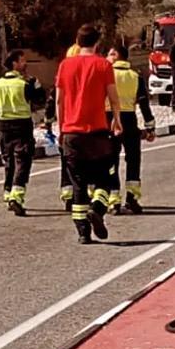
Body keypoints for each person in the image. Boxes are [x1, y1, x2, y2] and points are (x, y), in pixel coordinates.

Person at [54, 25, 123, 243]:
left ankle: (83, 232)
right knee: (105, 178)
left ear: (77, 41)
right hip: (98, 133)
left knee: (78, 183)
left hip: (72, 133)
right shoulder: (103, 65)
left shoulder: (65, 65)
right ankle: (98, 208)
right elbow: (113, 98)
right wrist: (117, 121)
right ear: (97, 43)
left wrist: (61, 128)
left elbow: (59, 100)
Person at [0, 50, 46, 216]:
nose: (25, 64)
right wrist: (36, 84)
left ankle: (8, 193)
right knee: (23, 160)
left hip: (4, 127)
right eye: (22, 61)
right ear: (14, 64)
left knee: (9, 161)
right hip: (22, 125)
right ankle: (17, 196)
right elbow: (40, 99)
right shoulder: (24, 84)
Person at [104, 41, 156, 213]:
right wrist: (150, 127)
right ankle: (132, 199)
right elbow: (144, 103)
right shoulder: (135, 76)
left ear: (116, 56)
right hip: (129, 120)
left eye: (110, 54)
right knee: (133, 160)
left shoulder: (106, 74)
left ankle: (113, 199)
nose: (107, 57)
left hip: (109, 119)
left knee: (111, 160)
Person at [44, 40, 86, 210]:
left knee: (67, 162)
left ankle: (68, 195)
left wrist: (49, 123)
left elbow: (53, 103)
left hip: (67, 127)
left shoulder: (62, 78)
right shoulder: (86, 79)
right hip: (85, 126)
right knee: (86, 162)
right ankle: (84, 194)